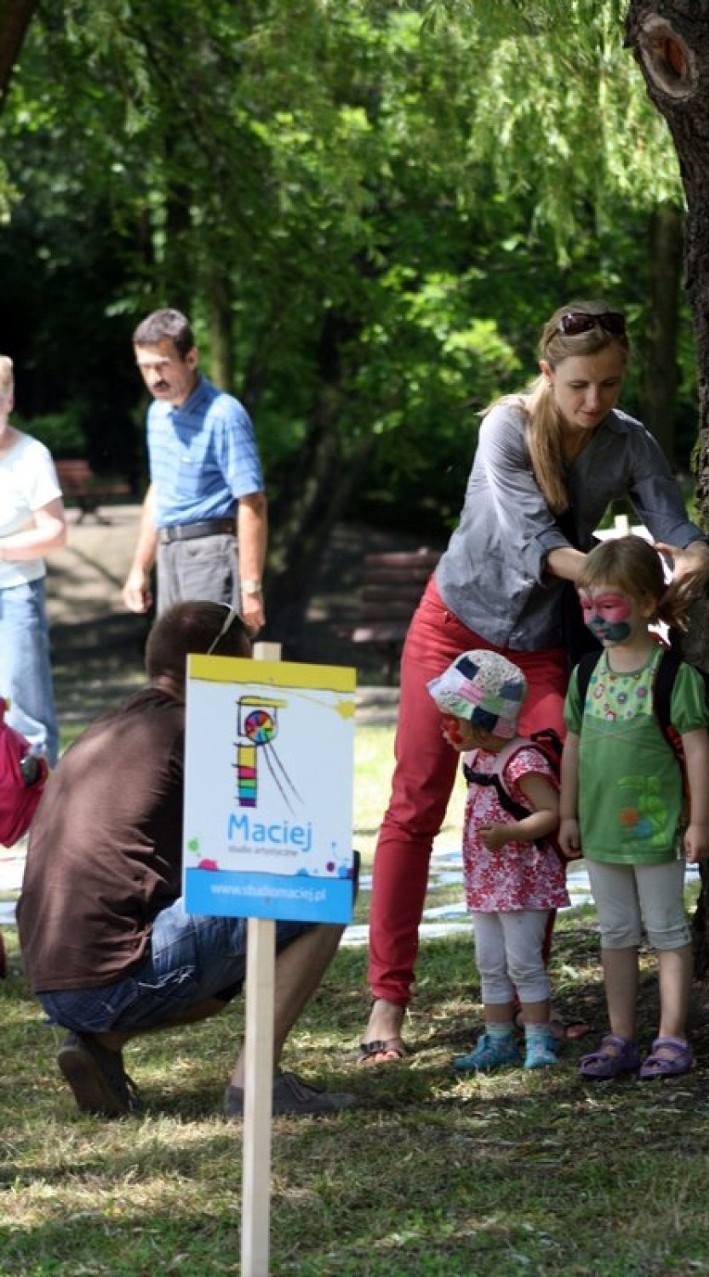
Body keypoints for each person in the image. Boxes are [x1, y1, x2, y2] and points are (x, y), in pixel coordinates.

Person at [359, 300, 709, 1065]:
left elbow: (674, 523)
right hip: (455, 627)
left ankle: (530, 1008)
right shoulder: (505, 428)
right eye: (581, 385)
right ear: (549, 372)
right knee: (416, 802)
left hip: (538, 646)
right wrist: (623, 586)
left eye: (611, 385)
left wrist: (692, 560)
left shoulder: (629, 441)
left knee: (551, 796)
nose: (596, 403)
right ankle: (387, 1004)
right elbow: (538, 542)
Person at [16, 600, 356, 1118]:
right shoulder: (199, 728)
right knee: (330, 874)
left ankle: (101, 1045)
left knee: (233, 921)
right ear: (228, 660)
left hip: (53, 981)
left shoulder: (112, 725)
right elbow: (290, 840)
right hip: (113, 972)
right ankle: (255, 1083)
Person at [559, 536, 709, 1079]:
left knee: (668, 930)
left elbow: (698, 751)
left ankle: (672, 1036)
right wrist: (568, 814)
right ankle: (620, 1034)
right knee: (616, 934)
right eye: (587, 606)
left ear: (648, 603)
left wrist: (697, 822)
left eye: (609, 605)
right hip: (600, 835)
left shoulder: (674, 677)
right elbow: (573, 746)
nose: (595, 618)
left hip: (657, 833)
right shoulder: (584, 674)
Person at [428, 649, 569, 1071]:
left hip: (523, 879)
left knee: (524, 962)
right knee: (489, 962)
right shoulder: (476, 757)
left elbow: (552, 812)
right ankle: (498, 1038)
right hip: (487, 880)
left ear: (483, 722)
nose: (445, 725)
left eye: (453, 716)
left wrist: (512, 833)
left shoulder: (521, 760)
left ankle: (539, 1040)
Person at [122, 308, 268, 631]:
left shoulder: (225, 414)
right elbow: (158, 491)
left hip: (211, 554)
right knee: (173, 670)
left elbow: (252, 502)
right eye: (145, 367)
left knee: (212, 670)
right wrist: (139, 569)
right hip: (169, 552)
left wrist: (251, 587)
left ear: (191, 358)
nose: (154, 378)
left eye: (163, 365)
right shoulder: (156, 415)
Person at [0, 355, 67, 767]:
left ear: (9, 400)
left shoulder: (32, 456)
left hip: (15, 591)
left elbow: (56, 533)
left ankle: (40, 811)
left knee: (24, 709)